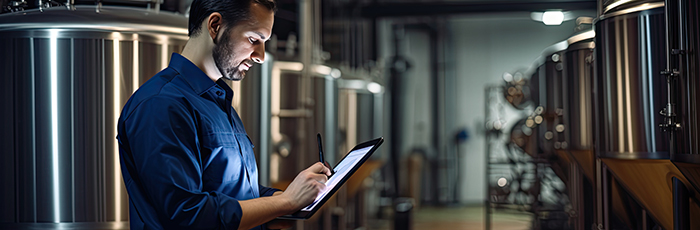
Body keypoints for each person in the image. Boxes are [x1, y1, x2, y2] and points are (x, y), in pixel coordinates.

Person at [116, 0, 331, 229]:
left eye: (264, 42)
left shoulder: (217, 101)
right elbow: (188, 215)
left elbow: (238, 194)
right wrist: (287, 202)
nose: (261, 55)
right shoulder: (161, 104)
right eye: (253, 39)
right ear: (215, 25)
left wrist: (294, 196)